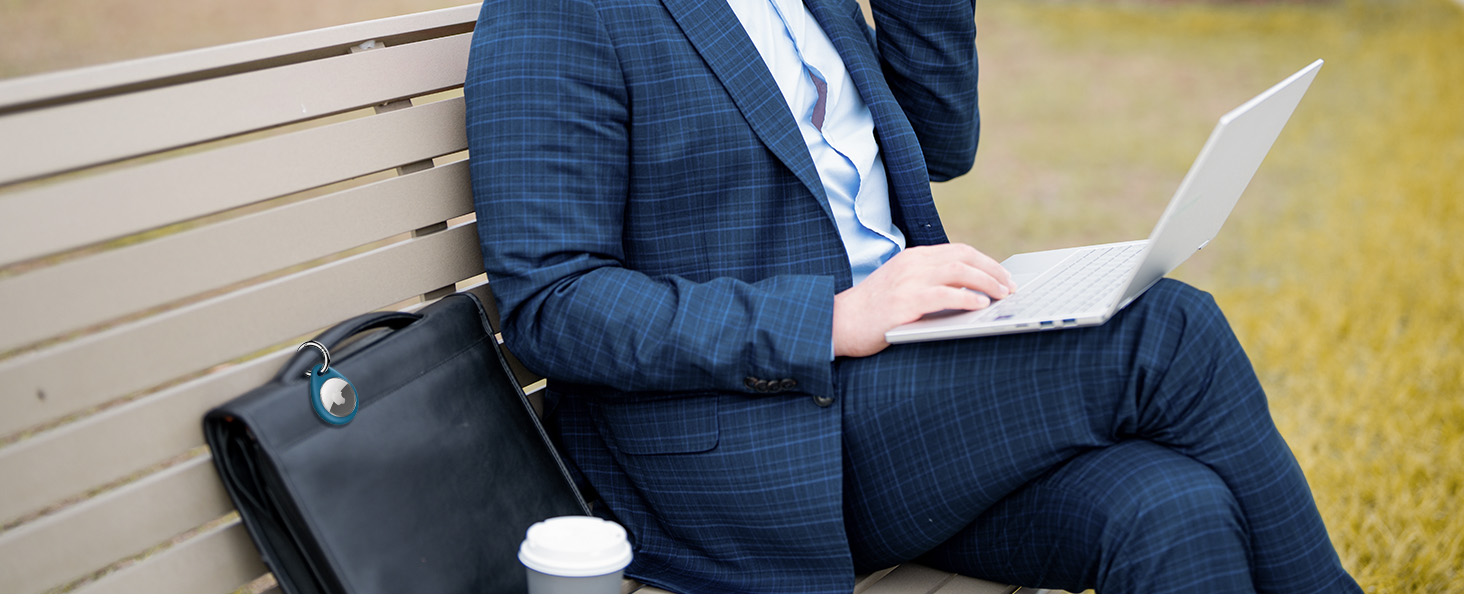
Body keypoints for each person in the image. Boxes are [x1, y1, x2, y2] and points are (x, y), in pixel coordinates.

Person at [464, 0, 1362, 593]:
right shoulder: (563, 10)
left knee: (1172, 509)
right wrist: (830, 318)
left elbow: (942, 139)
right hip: (755, 443)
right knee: (1167, 330)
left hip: (903, 401)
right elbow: (555, 302)